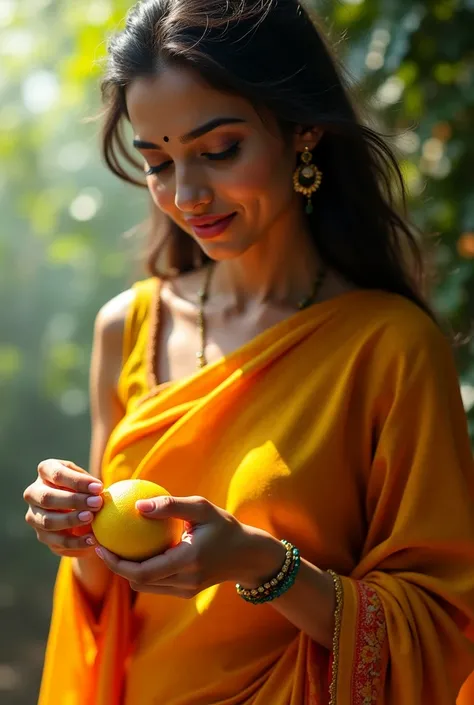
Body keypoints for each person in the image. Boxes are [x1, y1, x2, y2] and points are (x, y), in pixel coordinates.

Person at [23, 0, 474, 703]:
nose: (187, 193)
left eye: (219, 149)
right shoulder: (128, 327)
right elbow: (111, 595)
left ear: (304, 131)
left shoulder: (390, 348)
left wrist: (264, 564)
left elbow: (442, 627)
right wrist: (78, 532)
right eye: (159, 161)